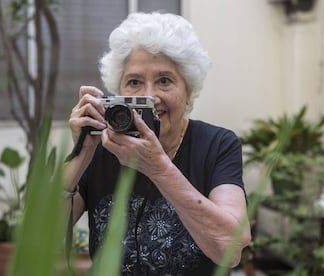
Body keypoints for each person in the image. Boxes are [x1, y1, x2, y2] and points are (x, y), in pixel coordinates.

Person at [64, 12, 251, 275]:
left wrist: (159, 168)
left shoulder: (217, 144)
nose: (150, 96)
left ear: (189, 92)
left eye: (164, 80)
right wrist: (81, 154)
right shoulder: (102, 146)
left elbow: (231, 250)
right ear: (118, 94)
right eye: (134, 82)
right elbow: (40, 237)